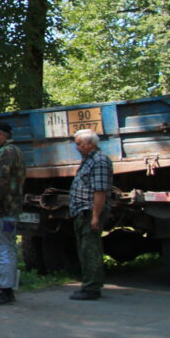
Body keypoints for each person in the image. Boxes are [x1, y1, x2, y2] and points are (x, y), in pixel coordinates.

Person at [0, 121, 26, 305]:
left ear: (2, 135)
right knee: (8, 246)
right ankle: (6, 287)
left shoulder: (5, 153)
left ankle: (5, 290)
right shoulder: (16, 152)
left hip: (3, 211)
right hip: (12, 210)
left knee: (0, 248)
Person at [68, 128, 113, 300]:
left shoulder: (99, 161)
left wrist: (95, 216)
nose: (77, 147)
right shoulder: (88, 160)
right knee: (84, 249)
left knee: (90, 249)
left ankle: (92, 288)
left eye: (79, 144)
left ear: (90, 144)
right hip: (82, 211)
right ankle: (87, 284)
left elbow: (99, 191)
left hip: (89, 211)